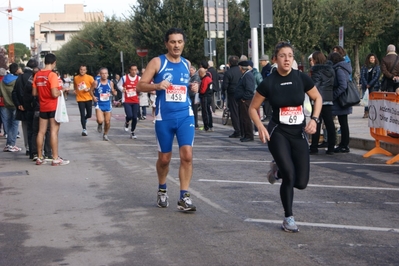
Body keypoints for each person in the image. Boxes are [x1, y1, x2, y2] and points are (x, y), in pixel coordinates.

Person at [249, 41, 322, 233]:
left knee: (301, 182)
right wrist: (260, 126)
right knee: (290, 175)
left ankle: (277, 171)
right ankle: (288, 218)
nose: (287, 59)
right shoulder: (269, 82)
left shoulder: (301, 78)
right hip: (278, 132)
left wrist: (314, 119)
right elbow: (253, 108)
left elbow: (317, 98)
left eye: (290, 55)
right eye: (283, 55)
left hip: (298, 132)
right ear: (275, 59)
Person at [137, 27, 197, 211]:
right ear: (166, 44)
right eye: (172, 42)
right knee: (164, 159)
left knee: (187, 156)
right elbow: (140, 86)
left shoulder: (187, 64)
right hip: (165, 118)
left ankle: (184, 196)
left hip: (185, 115)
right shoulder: (157, 62)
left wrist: (192, 87)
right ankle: (162, 189)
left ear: (183, 43)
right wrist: (156, 85)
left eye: (179, 42)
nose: (176, 45)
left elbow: (183, 86)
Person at [32, 53, 70, 166]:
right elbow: (54, 94)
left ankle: (39, 157)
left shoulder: (37, 75)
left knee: (41, 132)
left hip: (42, 106)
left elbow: (34, 93)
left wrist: (43, 92)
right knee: (53, 132)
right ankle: (55, 158)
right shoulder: (52, 75)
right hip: (53, 107)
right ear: (54, 62)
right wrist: (62, 90)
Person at [308, 51, 336, 155]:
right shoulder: (331, 70)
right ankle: (331, 147)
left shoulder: (316, 71)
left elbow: (314, 85)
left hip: (318, 99)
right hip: (328, 97)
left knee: (316, 121)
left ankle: (314, 146)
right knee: (329, 123)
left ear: (315, 60)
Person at [12, 59, 39, 157]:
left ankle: (28, 148)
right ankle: (35, 149)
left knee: (26, 128)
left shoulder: (20, 77)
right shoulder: (35, 76)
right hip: (34, 107)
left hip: (23, 107)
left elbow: (14, 92)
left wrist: (19, 104)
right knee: (36, 129)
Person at [328, 52, 353, 153]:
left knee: (343, 123)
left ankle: (344, 144)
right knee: (343, 123)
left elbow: (343, 85)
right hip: (342, 100)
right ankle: (343, 144)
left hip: (341, 100)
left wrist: (334, 95)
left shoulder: (339, 70)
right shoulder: (342, 68)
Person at [91, 67, 117, 141]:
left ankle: (105, 134)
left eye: (105, 73)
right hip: (99, 104)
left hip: (108, 104)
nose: (104, 75)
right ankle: (99, 124)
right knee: (100, 120)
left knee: (107, 121)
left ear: (108, 74)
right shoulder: (96, 82)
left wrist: (114, 92)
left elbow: (112, 91)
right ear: (100, 74)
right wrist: (93, 97)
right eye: (102, 74)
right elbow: (90, 90)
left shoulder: (110, 83)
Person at [0, 63, 21, 152]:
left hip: (5, 103)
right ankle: (11, 144)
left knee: (7, 123)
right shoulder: (17, 80)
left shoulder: (3, 80)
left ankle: (9, 144)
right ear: (16, 70)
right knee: (15, 124)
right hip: (15, 104)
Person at [117, 64, 141, 139]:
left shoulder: (139, 78)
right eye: (132, 70)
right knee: (129, 115)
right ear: (129, 70)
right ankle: (127, 122)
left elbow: (142, 86)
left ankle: (132, 132)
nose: (134, 71)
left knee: (135, 117)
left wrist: (140, 90)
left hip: (135, 100)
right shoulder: (124, 78)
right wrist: (122, 89)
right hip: (126, 100)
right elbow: (118, 85)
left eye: (135, 70)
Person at [235, 61, 255, 142]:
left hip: (246, 101)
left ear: (241, 68)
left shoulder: (248, 76)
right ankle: (246, 134)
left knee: (246, 118)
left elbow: (249, 89)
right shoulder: (245, 75)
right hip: (243, 100)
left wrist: (244, 98)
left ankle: (249, 135)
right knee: (243, 118)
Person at [222, 55, 241, 138]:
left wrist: (223, 92)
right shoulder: (241, 70)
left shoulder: (228, 72)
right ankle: (244, 130)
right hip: (242, 94)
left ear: (229, 63)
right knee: (242, 112)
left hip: (232, 94)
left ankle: (237, 130)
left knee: (234, 112)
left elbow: (224, 85)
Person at [73, 65, 94, 136]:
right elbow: (75, 86)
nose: (82, 71)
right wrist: (75, 90)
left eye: (84, 70)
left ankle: (85, 118)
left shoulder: (90, 78)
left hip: (88, 98)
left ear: (86, 71)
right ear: (79, 70)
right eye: (81, 69)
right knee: (82, 114)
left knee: (89, 114)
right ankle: (84, 129)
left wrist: (88, 89)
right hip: (80, 99)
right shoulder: (76, 78)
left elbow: (94, 86)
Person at [360, 53, 381, 118]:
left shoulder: (377, 67)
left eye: (373, 58)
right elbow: (362, 76)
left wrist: (370, 84)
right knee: (366, 99)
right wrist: (366, 84)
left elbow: (376, 76)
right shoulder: (364, 67)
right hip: (365, 85)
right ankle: (366, 112)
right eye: (371, 58)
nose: (372, 59)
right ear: (368, 59)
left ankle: (373, 112)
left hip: (374, 86)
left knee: (373, 100)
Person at [198, 67, 213, 131]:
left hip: (205, 97)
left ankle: (207, 126)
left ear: (201, 73)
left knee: (205, 112)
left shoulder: (205, 79)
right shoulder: (209, 78)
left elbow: (203, 90)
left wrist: (199, 91)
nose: (198, 74)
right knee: (208, 111)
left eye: (199, 73)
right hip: (209, 96)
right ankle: (210, 125)